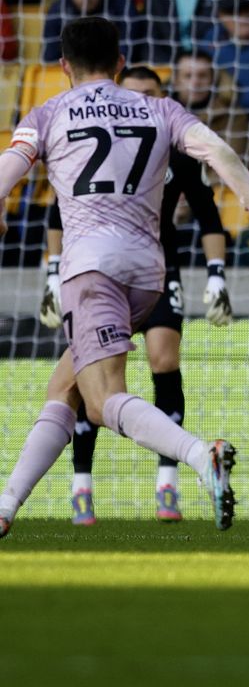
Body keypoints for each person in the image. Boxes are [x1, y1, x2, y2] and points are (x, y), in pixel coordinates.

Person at [0, 16, 249, 538]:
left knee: (100, 402)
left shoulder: (47, 112)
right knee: (64, 389)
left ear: (63, 66)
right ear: (120, 65)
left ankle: (200, 455)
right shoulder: (161, 108)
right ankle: (6, 507)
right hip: (150, 273)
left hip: (91, 270)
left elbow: (9, 168)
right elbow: (220, 154)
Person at [38, 66, 233, 525]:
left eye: (152, 94)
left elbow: (208, 215)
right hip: (98, 274)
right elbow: (56, 214)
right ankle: (81, 487)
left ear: (162, 99)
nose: (143, 101)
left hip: (157, 272)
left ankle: (169, 485)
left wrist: (217, 275)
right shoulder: (99, 147)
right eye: (136, 93)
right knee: (88, 384)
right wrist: (51, 274)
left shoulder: (174, 147)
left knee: (163, 362)